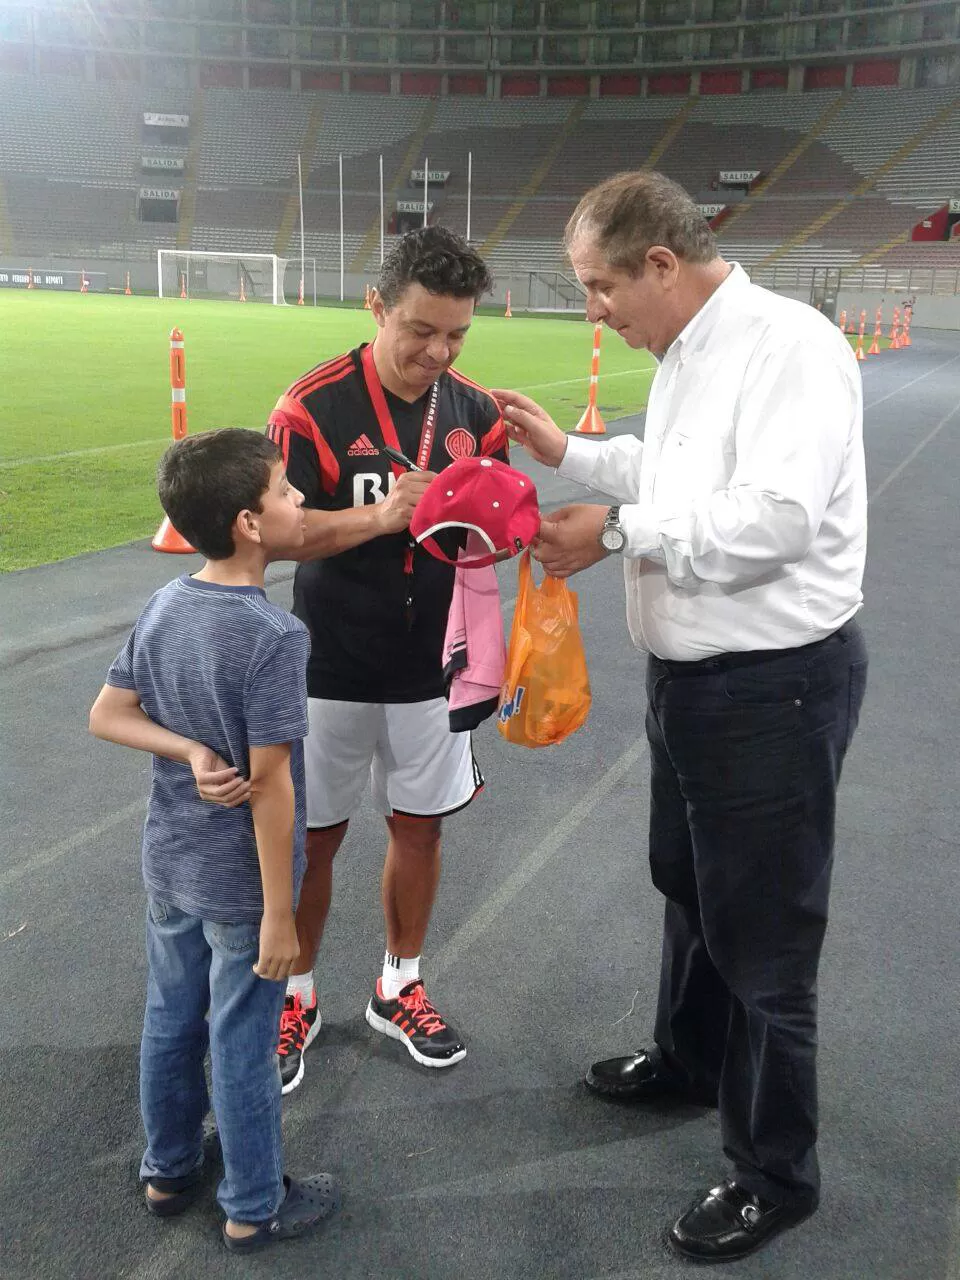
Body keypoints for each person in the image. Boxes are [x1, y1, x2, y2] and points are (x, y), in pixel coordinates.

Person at [495, 171, 868, 1264]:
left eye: (600, 283)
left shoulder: (787, 345)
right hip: (696, 679)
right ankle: (690, 1058)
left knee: (763, 935)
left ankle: (774, 1172)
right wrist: (571, 456)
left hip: (771, 685)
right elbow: (679, 475)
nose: (593, 307)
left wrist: (613, 533)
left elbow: (779, 517)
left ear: (663, 263)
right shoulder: (691, 350)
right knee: (691, 886)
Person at [264, 226, 507, 1092]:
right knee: (311, 841)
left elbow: (494, 533)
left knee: (419, 827)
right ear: (377, 307)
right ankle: (294, 995)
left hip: (430, 670)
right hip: (327, 666)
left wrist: (504, 529)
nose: (438, 352)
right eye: (420, 330)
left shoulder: (475, 414)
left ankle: (398, 984)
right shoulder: (312, 407)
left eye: (456, 335)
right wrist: (377, 518)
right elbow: (274, 533)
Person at [89, 429, 340, 1253]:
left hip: (170, 864)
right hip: (240, 883)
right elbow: (271, 786)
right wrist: (281, 915)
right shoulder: (274, 637)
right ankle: (253, 1202)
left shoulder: (168, 601)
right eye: (287, 491)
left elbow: (110, 714)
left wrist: (188, 749)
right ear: (250, 524)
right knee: (240, 1039)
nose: (300, 500)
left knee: (170, 1018)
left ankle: (166, 1171)